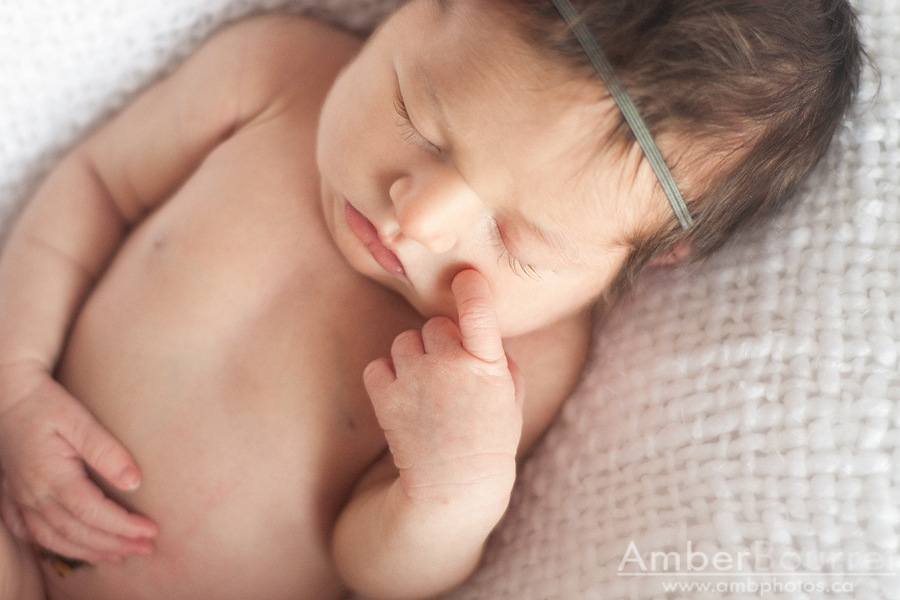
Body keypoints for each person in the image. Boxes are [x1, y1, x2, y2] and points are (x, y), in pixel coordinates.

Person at [0, 0, 862, 598]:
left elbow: (369, 567)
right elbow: (95, 186)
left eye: (516, 238)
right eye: (420, 117)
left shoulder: (508, 368)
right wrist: (17, 380)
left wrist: (448, 493)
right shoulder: (273, 75)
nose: (417, 215)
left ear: (649, 262)